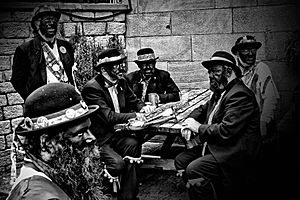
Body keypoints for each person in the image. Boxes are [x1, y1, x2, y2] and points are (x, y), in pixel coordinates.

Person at [174, 51, 262, 200]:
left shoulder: (240, 95)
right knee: (181, 161)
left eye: (215, 71)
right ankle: (203, 192)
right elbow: (201, 109)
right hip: (219, 147)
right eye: (209, 71)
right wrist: (188, 123)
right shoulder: (220, 92)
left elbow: (226, 131)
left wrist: (197, 127)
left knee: (195, 169)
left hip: (235, 153)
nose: (210, 75)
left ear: (228, 71)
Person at [6, 82, 107, 200]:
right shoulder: (39, 195)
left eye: (89, 129)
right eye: (79, 133)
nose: (92, 138)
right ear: (46, 143)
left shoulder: (60, 172)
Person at [81, 48, 154, 200]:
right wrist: (137, 115)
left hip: (118, 134)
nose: (122, 67)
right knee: (117, 164)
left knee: (133, 144)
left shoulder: (121, 82)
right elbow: (109, 116)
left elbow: (134, 100)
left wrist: (144, 107)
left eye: (121, 63)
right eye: (116, 65)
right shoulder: (92, 88)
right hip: (100, 139)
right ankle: (104, 195)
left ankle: (128, 197)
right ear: (103, 69)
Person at [11, 5, 76, 100]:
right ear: (37, 24)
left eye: (54, 20)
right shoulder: (25, 50)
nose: (51, 24)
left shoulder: (66, 46)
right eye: (47, 20)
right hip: (42, 104)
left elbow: (71, 71)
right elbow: (17, 81)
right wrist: (33, 99)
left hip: (66, 100)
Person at [231, 35, 280, 140]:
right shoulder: (233, 72)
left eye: (253, 49)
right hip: (236, 127)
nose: (251, 53)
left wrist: (263, 122)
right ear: (237, 53)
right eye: (245, 50)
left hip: (255, 126)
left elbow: (271, 98)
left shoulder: (261, 69)